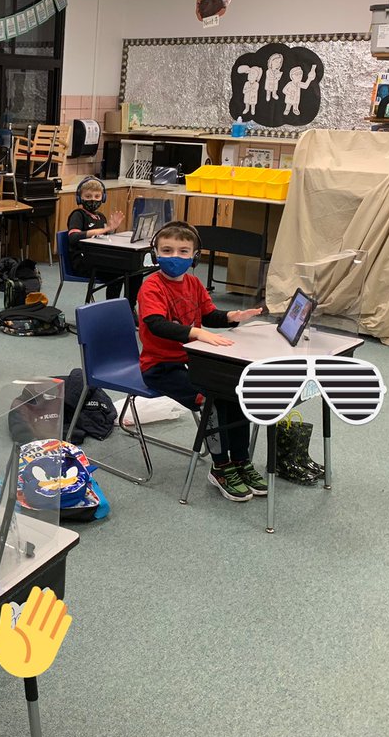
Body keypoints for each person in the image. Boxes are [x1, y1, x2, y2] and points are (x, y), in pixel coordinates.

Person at [136, 221, 265, 502]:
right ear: (155, 253)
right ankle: (220, 467)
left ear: (195, 256)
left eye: (183, 251)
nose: (175, 257)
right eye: (167, 250)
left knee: (234, 393)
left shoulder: (193, 284)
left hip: (192, 361)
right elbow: (156, 324)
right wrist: (196, 333)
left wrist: (232, 317)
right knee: (212, 402)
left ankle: (241, 461)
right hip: (160, 367)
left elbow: (208, 315)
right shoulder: (151, 287)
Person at [66, 176, 142, 306]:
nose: (92, 200)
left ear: (103, 198)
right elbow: (73, 237)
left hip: (99, 259)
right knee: (118, 274)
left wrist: (111, 231)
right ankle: (112, 309)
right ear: (80, 198)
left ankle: (129, 307)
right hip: (83, 263)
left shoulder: (100, 217)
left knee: (135, 271)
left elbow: (105, 239)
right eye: (88, 196)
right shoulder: (78, 214)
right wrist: (104, 230)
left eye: (96, 196)